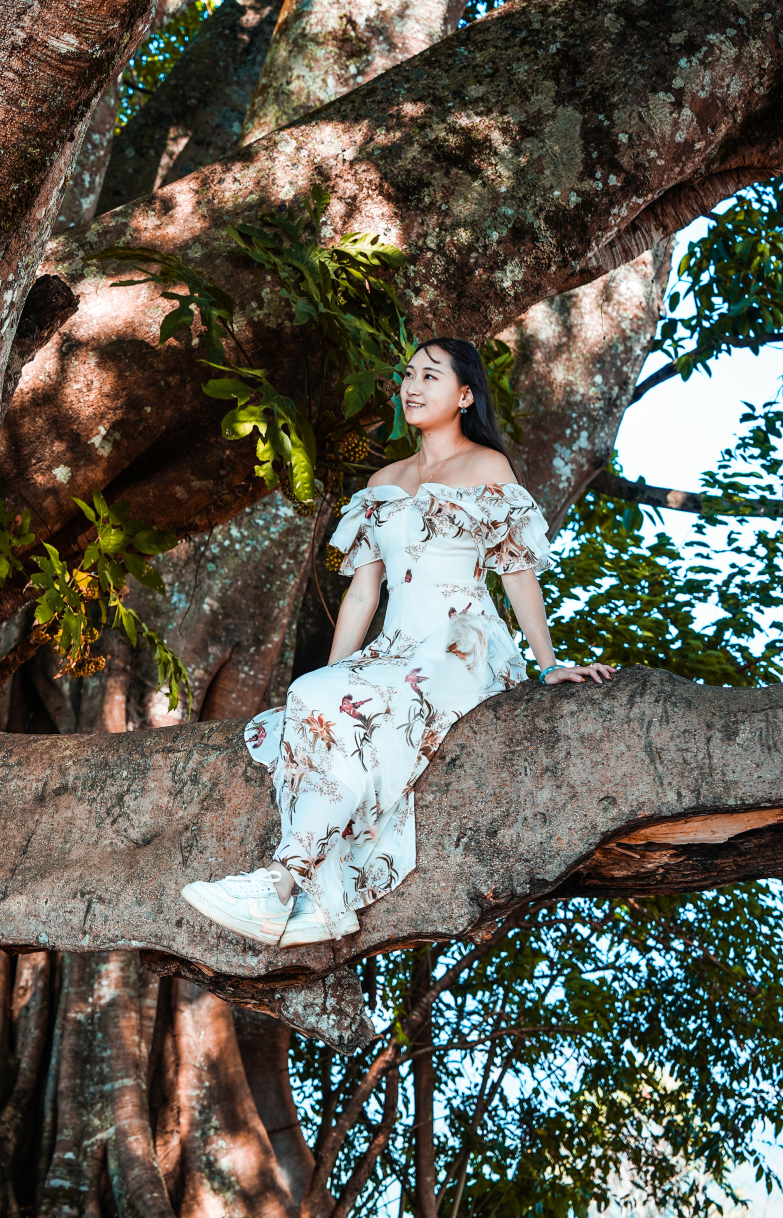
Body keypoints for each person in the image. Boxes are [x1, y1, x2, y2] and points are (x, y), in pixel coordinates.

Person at [182, 337, 614, 947]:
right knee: (310, 695)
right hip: (395, 649)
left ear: (465, 395)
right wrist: (327, 688)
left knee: (354, 708)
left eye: (431, 376)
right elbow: (363, 594)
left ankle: (282, 886)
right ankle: (318, 902)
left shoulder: (488, 467)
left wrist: (548, 665)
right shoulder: (385, 479)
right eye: (409, 374)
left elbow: (517, 571)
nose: (413, 386)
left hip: (463, 645)